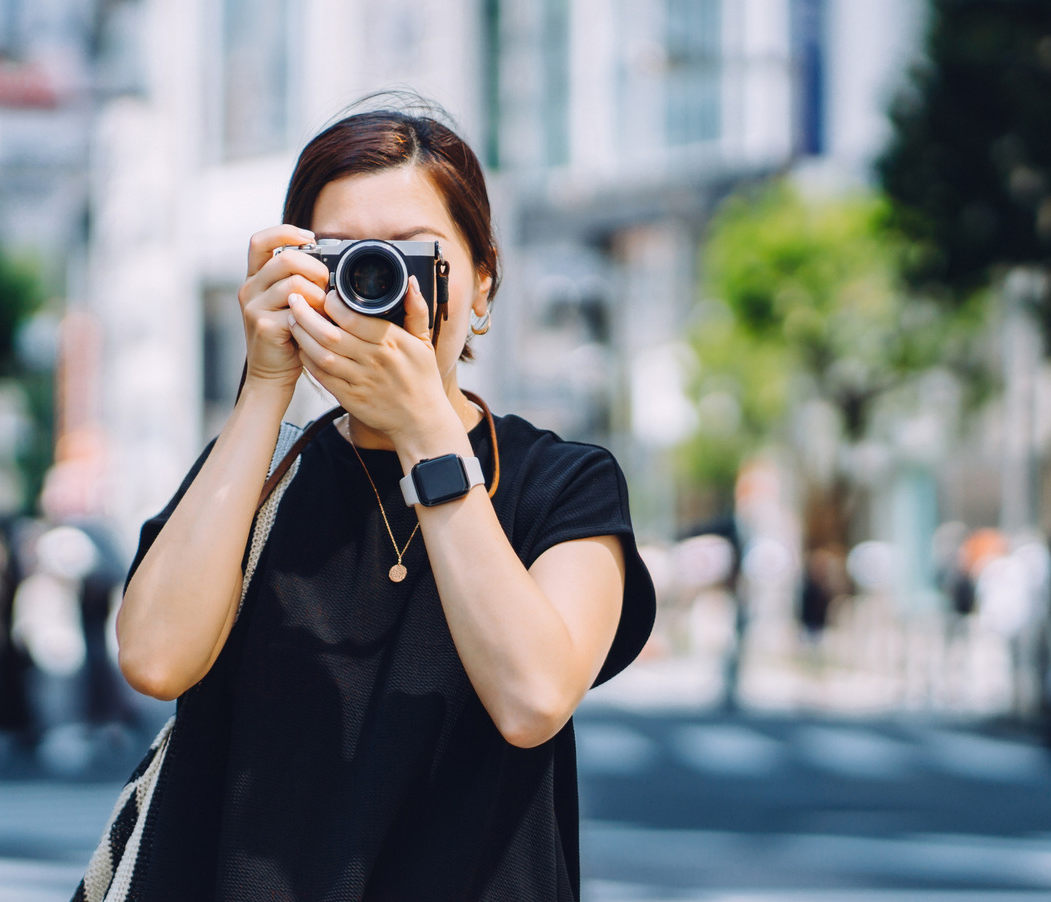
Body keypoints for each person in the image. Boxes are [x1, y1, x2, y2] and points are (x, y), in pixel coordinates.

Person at [113, 104, 656, 900]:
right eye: (345, 260)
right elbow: (154, 660)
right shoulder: (255, 482)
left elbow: (533, 698)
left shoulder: (560, 484)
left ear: (483, 280)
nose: (378, 281)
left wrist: (425, 433)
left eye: (411, 257)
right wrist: (269, 382)